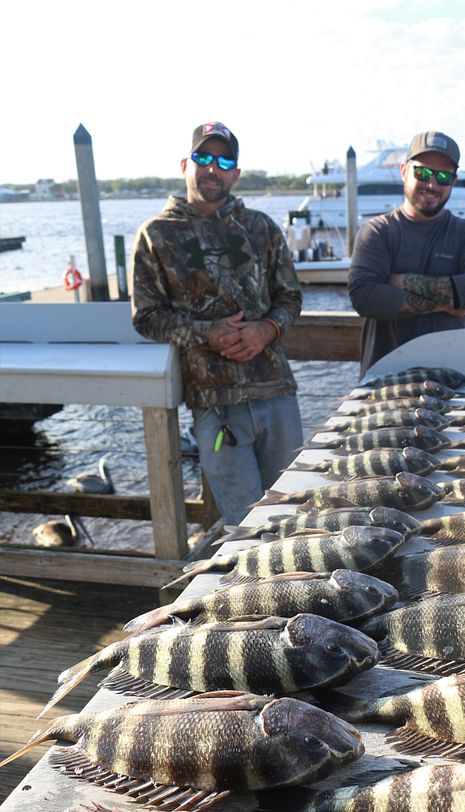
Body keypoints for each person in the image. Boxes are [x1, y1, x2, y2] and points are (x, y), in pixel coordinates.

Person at [131, 122, 303, 525]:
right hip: (215, 407)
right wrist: (206, 333)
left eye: (225, 161)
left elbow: (290, 296)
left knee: (292, 511)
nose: (213, 168)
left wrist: (267, 329)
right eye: (203, 157)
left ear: (236, 174)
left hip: (277, 393)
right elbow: (147, 317)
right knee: (245, 523)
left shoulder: (261, 227)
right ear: (185, 165)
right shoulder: (156, 235)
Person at [348, 131, 465, 376]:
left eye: (443, 177)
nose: (432, 184)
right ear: (404, 171)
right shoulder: (377, 231)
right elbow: (365, 298)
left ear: (454, 181)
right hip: (384, 381)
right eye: (423, 173)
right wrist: (446, 304)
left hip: (448, 381)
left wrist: (403, 282)